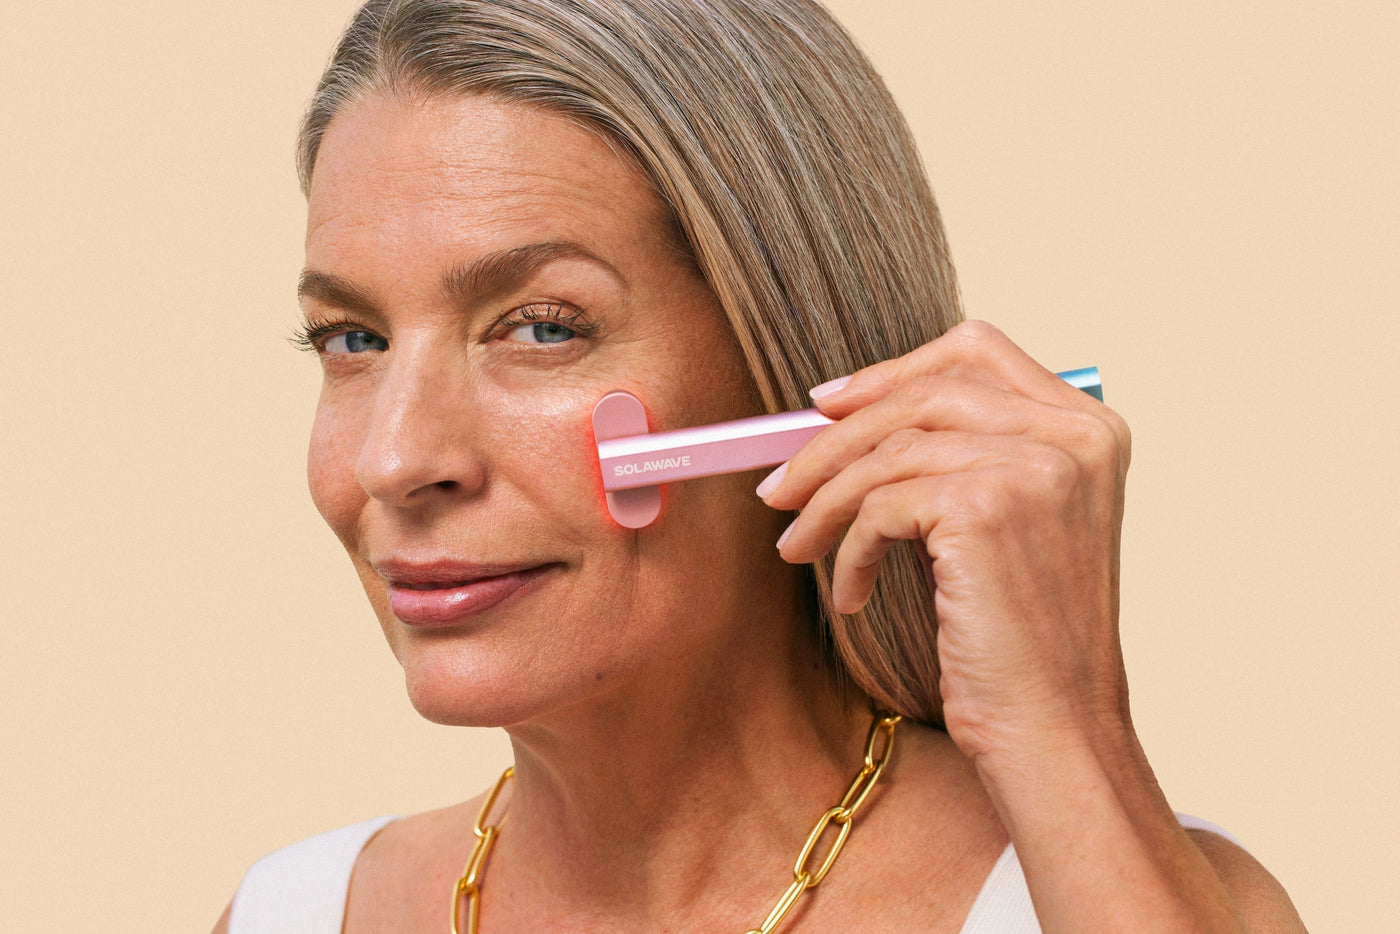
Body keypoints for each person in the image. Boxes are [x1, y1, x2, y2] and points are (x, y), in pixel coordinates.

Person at [215, 0, 1307, 931]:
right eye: (351, 339)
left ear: (793, 359)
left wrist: (1062, 732)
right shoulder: (288, 912)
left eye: (541, 327)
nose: (396, 458)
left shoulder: (1123, 893)